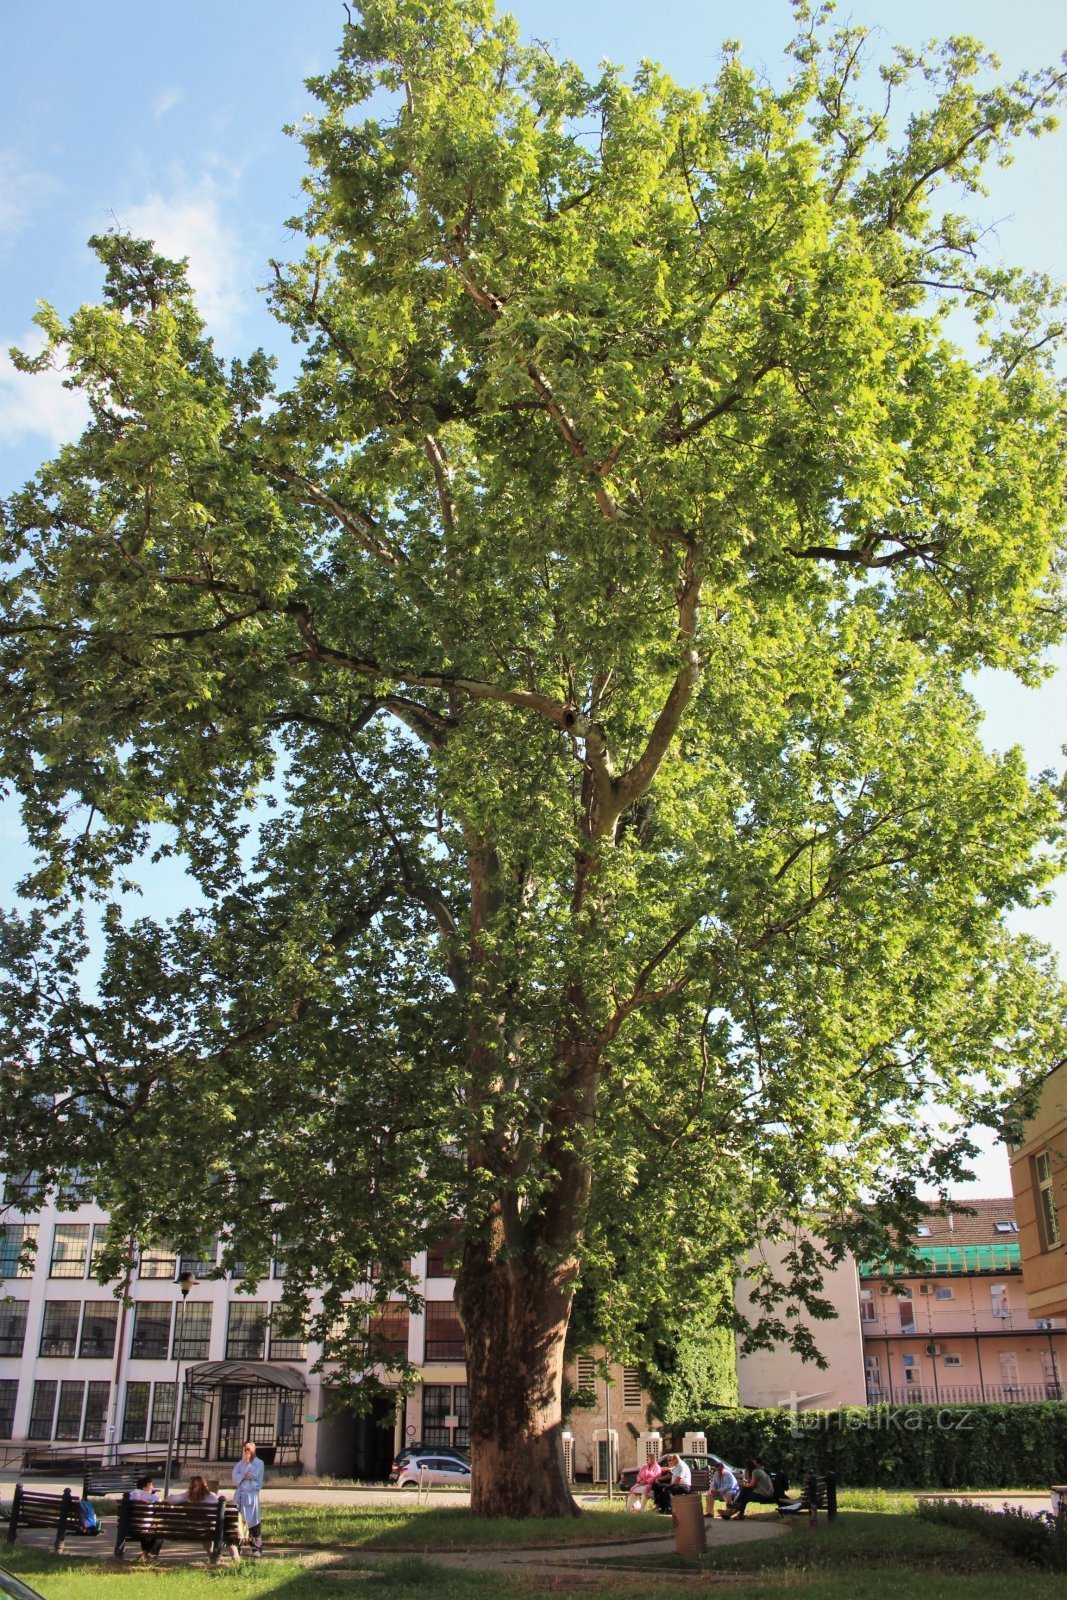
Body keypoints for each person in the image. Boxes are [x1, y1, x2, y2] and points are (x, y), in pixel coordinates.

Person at [232, 1439, 265, 1556]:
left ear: (254, 1449)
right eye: (245, 1450)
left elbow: (254, 1475)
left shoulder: (259, 1463)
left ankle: (256, 1548)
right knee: (237, 1522)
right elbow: (235, 1478)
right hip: (240, 1496)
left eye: (249, 1449)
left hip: (251, 1495)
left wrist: (246, 1471)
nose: (247, 1452)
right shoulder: (240, 1463)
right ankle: (236, 1547)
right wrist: (244, 1475)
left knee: (253, 1522)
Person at [130, 1473, 160, 1557]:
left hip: (130, 1528)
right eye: (151, 1485)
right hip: (143, 1528)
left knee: (147, 1530)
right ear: (146, 1486)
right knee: (158, 1532)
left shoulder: (131, 1494)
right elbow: (160, 1500)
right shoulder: (150, 1496)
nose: (152, 1487)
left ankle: (145, 1553)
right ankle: (149, 1554)